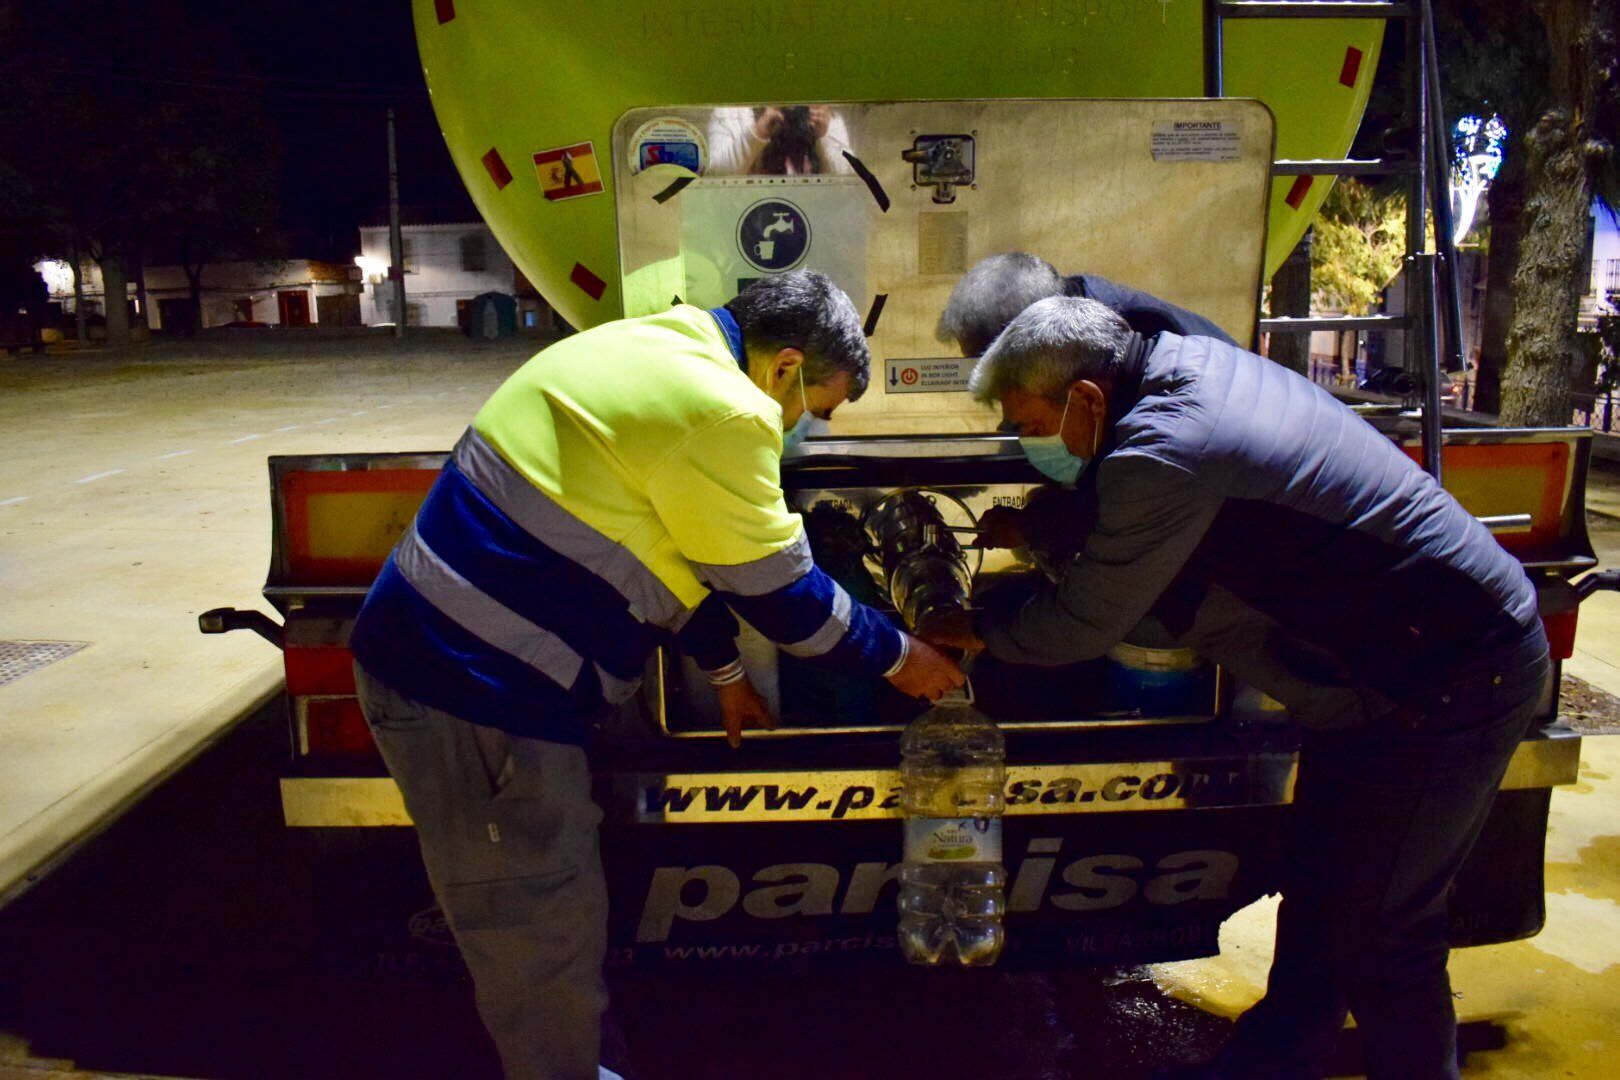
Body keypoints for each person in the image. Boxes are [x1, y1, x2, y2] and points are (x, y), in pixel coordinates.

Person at [349, 271, 964, 1080]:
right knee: (538, 938)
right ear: (784, 366)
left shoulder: (642, 348)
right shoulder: (726, 409)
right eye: (813, 408)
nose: (800, 429)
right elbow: (785, 597)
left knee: (556, 924)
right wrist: (903, 658)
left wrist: (725, 670)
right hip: (474, 693)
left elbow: (660, 544)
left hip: (449, 664)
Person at [920, 296, 1549, 1080]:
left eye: (1032, 424)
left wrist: (980, 629)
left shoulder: (1165, 448)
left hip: (1452, 672)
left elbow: (1083, 622)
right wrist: (1047, 529)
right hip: (1382, 674)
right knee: (1321, 889)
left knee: (1387, 929)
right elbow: (1142, 519)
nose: (1028, 441)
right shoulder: (1181, 365)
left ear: (1085, 397)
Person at [938, 252, 1236, 552]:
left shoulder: (1124, 344)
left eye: (999, 374)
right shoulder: (1064, 322)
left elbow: (1130, 501)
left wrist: (1034, 527)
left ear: (1028, 337)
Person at [707, 105, 854, 176]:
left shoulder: (824, 114)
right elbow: (715, 175)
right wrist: (757, 132)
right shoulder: (731, 113)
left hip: (813, 213)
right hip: (747, 213)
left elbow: (847, 180)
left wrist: (823, 137)